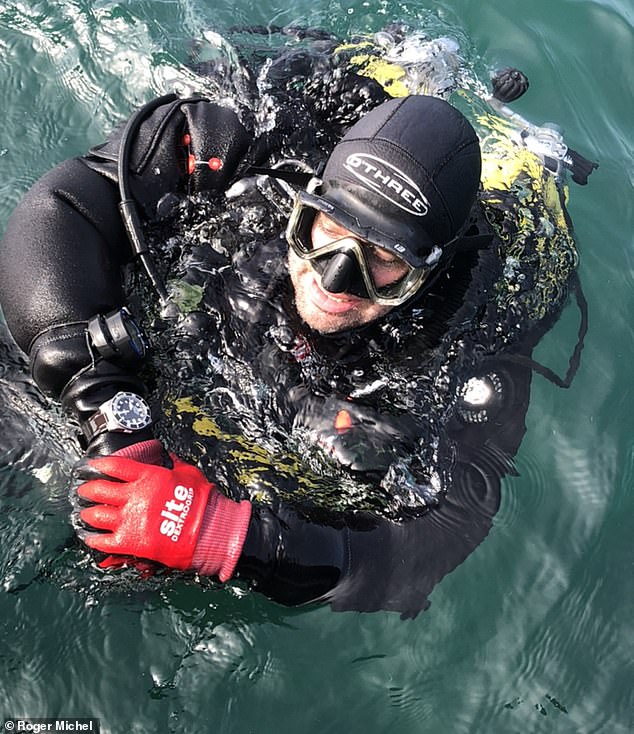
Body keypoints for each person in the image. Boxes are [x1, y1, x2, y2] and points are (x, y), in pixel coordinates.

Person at [0, 34, 590, 616]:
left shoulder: (478, 319)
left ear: (428, 272)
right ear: (304, 202)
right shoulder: (253, 145)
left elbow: (435, 539)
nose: (335, 280)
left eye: (384, 261)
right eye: (329, 230)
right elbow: (66, 204)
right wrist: (106, 404)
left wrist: (234, 537)